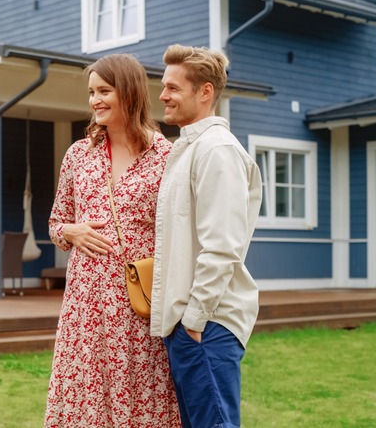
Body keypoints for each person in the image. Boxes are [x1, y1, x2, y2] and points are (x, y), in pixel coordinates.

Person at [45, 54, 180, 427]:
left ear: (130, 92)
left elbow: (179, 232)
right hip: (85, 303)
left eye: (104, 91)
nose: (95, 101)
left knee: (143, 389)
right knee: (85, 390)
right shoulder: (79, 155)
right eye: (91, 92)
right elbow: (57, 223)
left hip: (140, 301)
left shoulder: (167, 156)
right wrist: (71, 232)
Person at [151, 44, 262, 428]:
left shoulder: (216, 151)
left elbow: (222, 246)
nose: (162, 95)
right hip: (191, 325)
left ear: (205, 92)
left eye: (173, 87)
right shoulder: (189, 149)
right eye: (163, 86)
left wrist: (194, 321)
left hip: (207, 325)